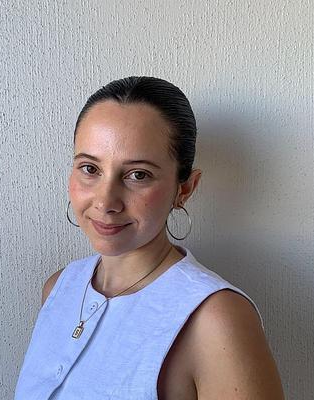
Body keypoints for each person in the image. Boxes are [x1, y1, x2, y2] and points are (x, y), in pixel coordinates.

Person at [14, 76, 284, 399]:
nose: (105, 202)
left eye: (138, 175)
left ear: (185, 189)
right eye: (90, 169)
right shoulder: (59, 287)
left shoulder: (215, 320)